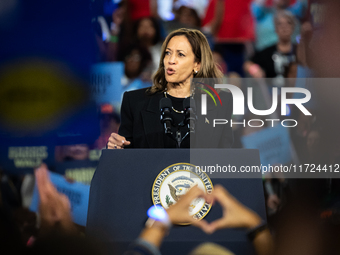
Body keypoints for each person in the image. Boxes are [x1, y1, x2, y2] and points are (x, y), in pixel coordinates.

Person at [107, 28, 233, 149]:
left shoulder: (220, 102)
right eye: (168, 53)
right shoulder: (135, 101)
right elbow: (125, 156)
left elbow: (226, 158)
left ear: (197, 65)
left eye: (180, 55)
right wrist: (116, 148)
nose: (171, 60)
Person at [244, 10, 297, 86]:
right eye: (280, 24)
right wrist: (255, 70)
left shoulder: (300, 51)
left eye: (288, 23)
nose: (284, 27)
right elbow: (248, 64)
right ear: (275, 28)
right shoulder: (268, 52)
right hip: (273, 94)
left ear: (293, 27)